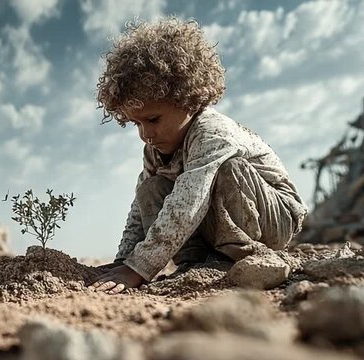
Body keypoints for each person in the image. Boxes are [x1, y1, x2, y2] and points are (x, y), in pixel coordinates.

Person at [88, 18, 307, 295]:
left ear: (188, 100)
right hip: (218, 223)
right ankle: (195, 262)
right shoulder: (154, 151)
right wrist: (123, 261)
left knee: (230, 170)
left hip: (274, 218)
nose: (145, 134)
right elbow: (139, 210)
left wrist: (139, 267)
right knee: (150, 187)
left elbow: (190, 200)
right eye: (137, 124)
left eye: (153, 119)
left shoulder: (211, 132)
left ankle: (243, 256)